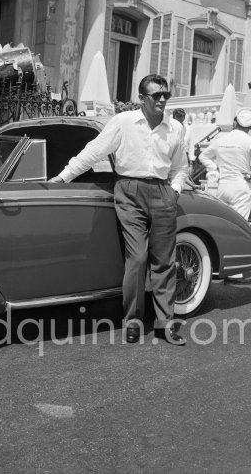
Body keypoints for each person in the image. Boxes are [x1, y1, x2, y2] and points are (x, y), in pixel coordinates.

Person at [50, 74, 188, 345]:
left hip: (163, 192)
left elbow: (180, 166)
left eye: (166, 95)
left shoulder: (175, 128)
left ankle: (165, 324)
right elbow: (94, 151)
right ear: (142, 98)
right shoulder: (123, 122)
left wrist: (175, 191)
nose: (162, 100)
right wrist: (63, 176)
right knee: (136, 259)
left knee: (164, 262)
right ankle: (133, 321)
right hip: (129, 191)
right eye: (156, 95)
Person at [199, 107, 251, 285]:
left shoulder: (221, 139)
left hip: (222, 185)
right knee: (240, 227)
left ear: (234, 122)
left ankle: (221, 263)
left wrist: (213, 168)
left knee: (222, 226)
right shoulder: (248, 140)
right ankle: (235, 272)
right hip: (240, 185)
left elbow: (203, 156)